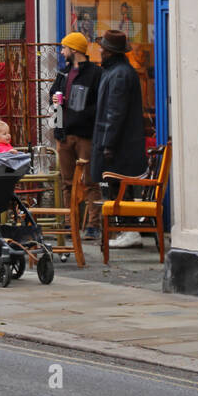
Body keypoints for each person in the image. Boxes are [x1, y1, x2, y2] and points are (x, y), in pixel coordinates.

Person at [90, 29, 149, 249]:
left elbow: (114, 112)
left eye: (103, 48)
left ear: (111, 52)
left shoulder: (120, 74)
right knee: (117, 186)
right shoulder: (117, 72)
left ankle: (130, 229)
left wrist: (108, 144)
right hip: (119, 142)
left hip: (120, 144)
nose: (100, 51)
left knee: (119, 185)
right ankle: (127, 229)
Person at [48, 31, 103, 236]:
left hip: (85, 135)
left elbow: (99, 104)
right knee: (67, 182)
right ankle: (70, 222)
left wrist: (79, 114)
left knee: (90, 181)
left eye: (64, 48)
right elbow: (53, 94)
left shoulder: (95, 74)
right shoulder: (63, 73)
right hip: (63, 133)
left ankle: (93, 225)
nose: (62, 52)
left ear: (74, 50)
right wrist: (54, 99)